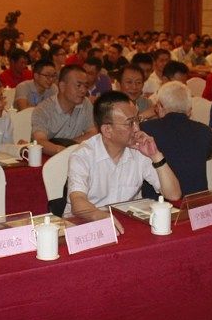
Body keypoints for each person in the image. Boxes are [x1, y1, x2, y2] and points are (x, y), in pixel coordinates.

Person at [66, 91, 181, 233]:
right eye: (130, 123)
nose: (137, 128)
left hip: (126, 224)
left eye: (137, 120)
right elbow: (77, 201)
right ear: (107, 130)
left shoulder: (139, 150)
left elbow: (173, 195)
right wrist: (100, 216)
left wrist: (156, 156)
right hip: (87, 225)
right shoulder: (83, 155)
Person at [140, 81, 212, 198]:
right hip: (197, 202)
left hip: (158, 203)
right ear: (189, 110)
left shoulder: (145, 130)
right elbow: (207, 155)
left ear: (159, 107)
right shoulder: (205, 131)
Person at [31, 65, 96, 156]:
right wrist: (63, 151)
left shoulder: (85, 104)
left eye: (85, 86)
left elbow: (93, 132)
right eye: (78, 85)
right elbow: (39, 141)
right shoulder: (43, 110)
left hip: (73, 155)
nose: (83, 90)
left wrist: (69, 146)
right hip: (49, 158)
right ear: (62, 86)